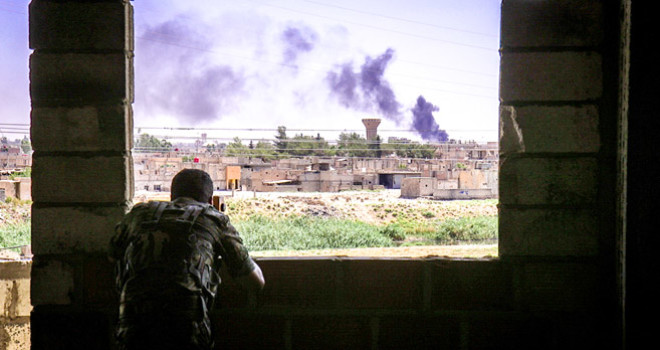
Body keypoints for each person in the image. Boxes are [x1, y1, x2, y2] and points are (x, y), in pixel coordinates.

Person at [109, 169, 265, 350]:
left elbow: (112, 256)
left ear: (171, 195)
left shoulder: (139, 214)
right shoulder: (213, 219)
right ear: (208, 200)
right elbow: (255, 282)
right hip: (187, 330)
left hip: (132, 326)